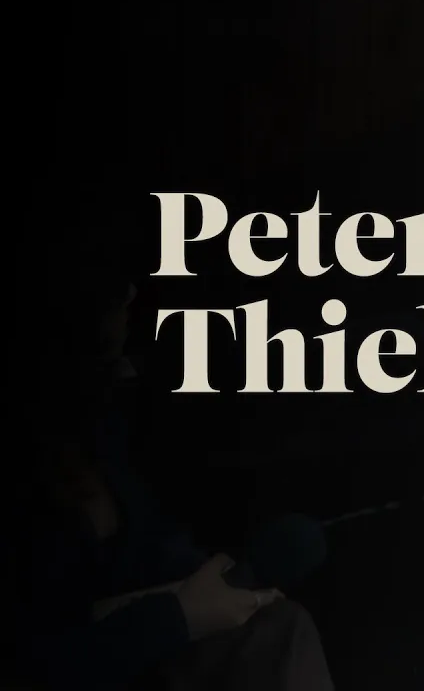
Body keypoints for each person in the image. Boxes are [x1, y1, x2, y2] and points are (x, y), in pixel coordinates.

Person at [3, 268, 334, 691]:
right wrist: (177, 618)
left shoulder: (94, 430)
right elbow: (34, 662)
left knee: (277, 627)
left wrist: (217, 586)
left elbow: (144, 549)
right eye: (108, 285)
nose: (130, 294)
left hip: (137, 646)